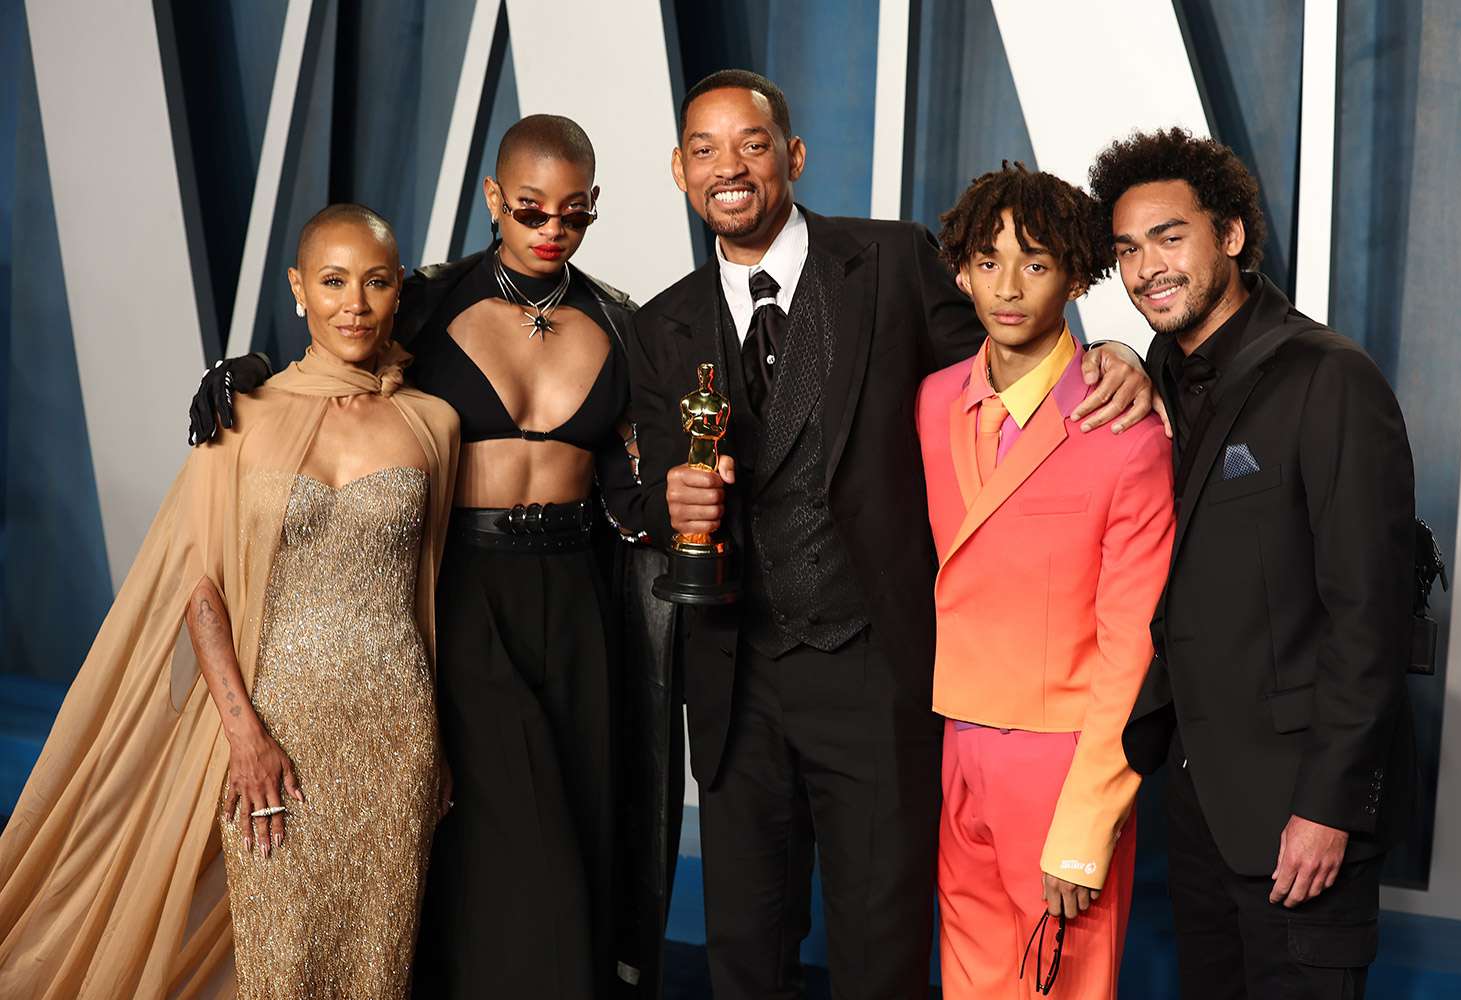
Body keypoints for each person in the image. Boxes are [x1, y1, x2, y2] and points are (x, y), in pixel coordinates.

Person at [628, 69, 1160, 998]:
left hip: (874, 672)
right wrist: (666, 505)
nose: (730, 168)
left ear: (791, 156)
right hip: (735, 677)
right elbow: (652, 489)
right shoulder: (659, 324)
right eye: (705, 150)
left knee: (881, 951)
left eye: (751, 144)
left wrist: (1111, 349)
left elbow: (1011, 355)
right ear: (679, 170)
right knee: (742, 957)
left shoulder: (892, 261)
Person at [186, 116, 676, 1000]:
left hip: (577, 597)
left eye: (573, 215)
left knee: (586, 826)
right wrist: (250, 367)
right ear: (495, 199)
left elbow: (632, 483)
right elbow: (341, 341)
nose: (550, 231)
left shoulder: (621, 321)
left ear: (594, 208)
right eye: (530, 211)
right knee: (516, 845)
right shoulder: (426, 299)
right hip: (464, 594)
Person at [0, 203, 461, 999]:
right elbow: (199, 588)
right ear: (298, 290)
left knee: (376, 962)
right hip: (272, 727)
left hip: (395, 730)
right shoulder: (239, 418)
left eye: (376, 282)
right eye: (332, 280)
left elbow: (433, 587)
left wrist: (441, 743)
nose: (354, 303)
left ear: (398, 292)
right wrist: (244, 732)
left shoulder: (434, 425)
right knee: (276, 955)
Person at [1094, 128, 1418, 1000]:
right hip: (1197, 813)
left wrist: (1329, 808)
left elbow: (1372, 618)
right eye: (1127, 248)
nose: (1146, 267)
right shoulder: (1150, 376)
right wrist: (1120, 356)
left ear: (1230, 236)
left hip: (1301, 819)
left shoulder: (1328, 377)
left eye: (1170, 237)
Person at [916, 163, 1174, 999]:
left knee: (1058, 987)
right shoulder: (931, 402)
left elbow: (1131, 647)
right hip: (956, 741)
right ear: (961, 272)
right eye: (988, 262)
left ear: (1074, 273)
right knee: (967, 981)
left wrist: (1087, 822)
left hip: (1064, 762)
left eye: (1034, 262)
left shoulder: (1126, 431)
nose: (1008, 286)